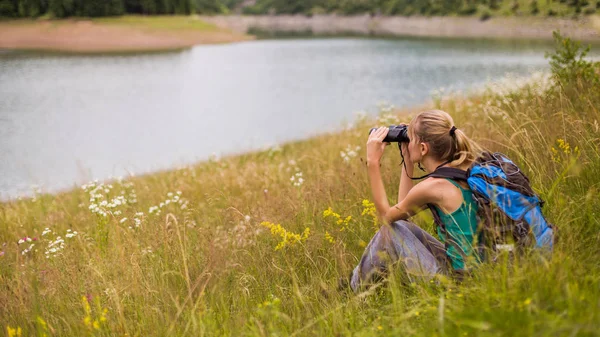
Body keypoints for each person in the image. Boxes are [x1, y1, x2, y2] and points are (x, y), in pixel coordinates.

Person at [350, 109, 483, 292]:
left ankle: (355, 286)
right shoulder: (462, 168)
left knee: (390, 231)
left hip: (458, 286)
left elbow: (386, 217)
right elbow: (402, 214)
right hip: (480, 273)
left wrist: (372, 163)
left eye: (410, 139)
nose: (407, 141)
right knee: (401, 227)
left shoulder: (433, 187)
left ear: (423, 148)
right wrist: (408, 161)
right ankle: (357, 279)